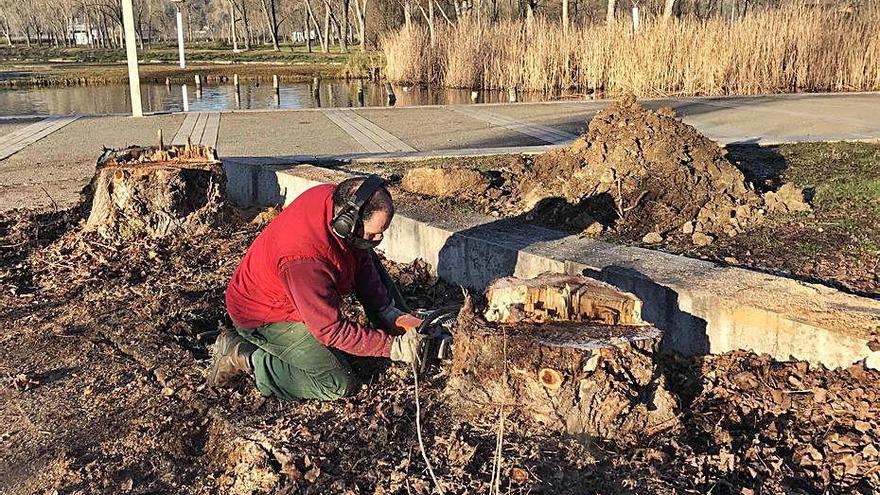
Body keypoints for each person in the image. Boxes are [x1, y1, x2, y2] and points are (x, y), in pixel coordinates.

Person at [209, 175, 428, 401]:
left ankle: (392, 319)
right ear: (347, 221)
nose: (380, 238)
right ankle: (246, 358)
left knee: (365, 245)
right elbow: (329, 330)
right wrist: (393, 348)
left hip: (295, 291)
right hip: (262, 315)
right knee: (338, 383)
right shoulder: (304, 260)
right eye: (374, 232)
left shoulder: (334, 200)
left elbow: (360, 255)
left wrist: (385, 309)